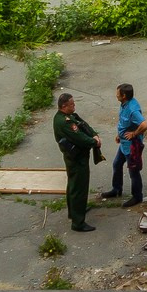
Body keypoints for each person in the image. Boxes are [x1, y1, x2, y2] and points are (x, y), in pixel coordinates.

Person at [52, 92, 102, 232]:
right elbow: (79, 138)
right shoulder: (64, 122)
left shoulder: (70, 116)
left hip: (77, 158)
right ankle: (78, 222)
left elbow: (84, 125)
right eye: (72, 104)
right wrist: (94, 142)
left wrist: (94, 134)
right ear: (64, 106)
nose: (74, 106)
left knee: (74, 186)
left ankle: (75, 211)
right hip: (76, 159)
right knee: (79, 188)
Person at [100, 82, 147, 207]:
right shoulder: (124, 104)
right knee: (116, 164)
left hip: (132, 146)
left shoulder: (132, 109)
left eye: (117, 94)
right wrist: (119, 135)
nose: (116, 96)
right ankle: (116, 189)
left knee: (133, 171)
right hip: (124, 144)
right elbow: (123, 122)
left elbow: (144, 125)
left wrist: (134, 134)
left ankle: (137, 197)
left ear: (124, 95)